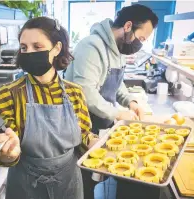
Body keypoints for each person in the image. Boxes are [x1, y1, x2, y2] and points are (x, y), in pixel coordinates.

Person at [0, 17, 98, 199]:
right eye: (24, 48)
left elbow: (83, 136)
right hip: (26, 185)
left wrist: (97, 144)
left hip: (69, 183)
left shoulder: (75, 93)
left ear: (57, 48)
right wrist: (8, 152)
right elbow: (2, 144)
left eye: (37, 47)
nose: (29, 52)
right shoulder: (8, 94)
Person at [64, 4, 158, 199]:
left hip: (100, 123)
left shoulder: (118, 49)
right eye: (140, 38)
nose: (140, 44)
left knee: (94, 177)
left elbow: (117, 83)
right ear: (128, 26)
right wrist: (117, 113)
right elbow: (85, 92)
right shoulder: (91, 46)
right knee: (82, 182)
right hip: (81, 126)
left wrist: (130, 101)